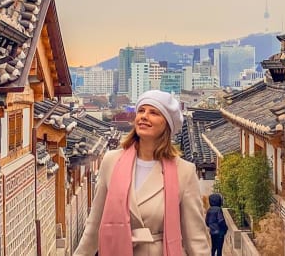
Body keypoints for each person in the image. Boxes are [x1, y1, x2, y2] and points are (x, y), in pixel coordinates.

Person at [74, 90, 210, 255]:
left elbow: (195, 237)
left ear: (167, 124)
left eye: (153, 112)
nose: (144, 116)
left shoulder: (184, 172)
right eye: (141, 111)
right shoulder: (112, 161)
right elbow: (94, 224)